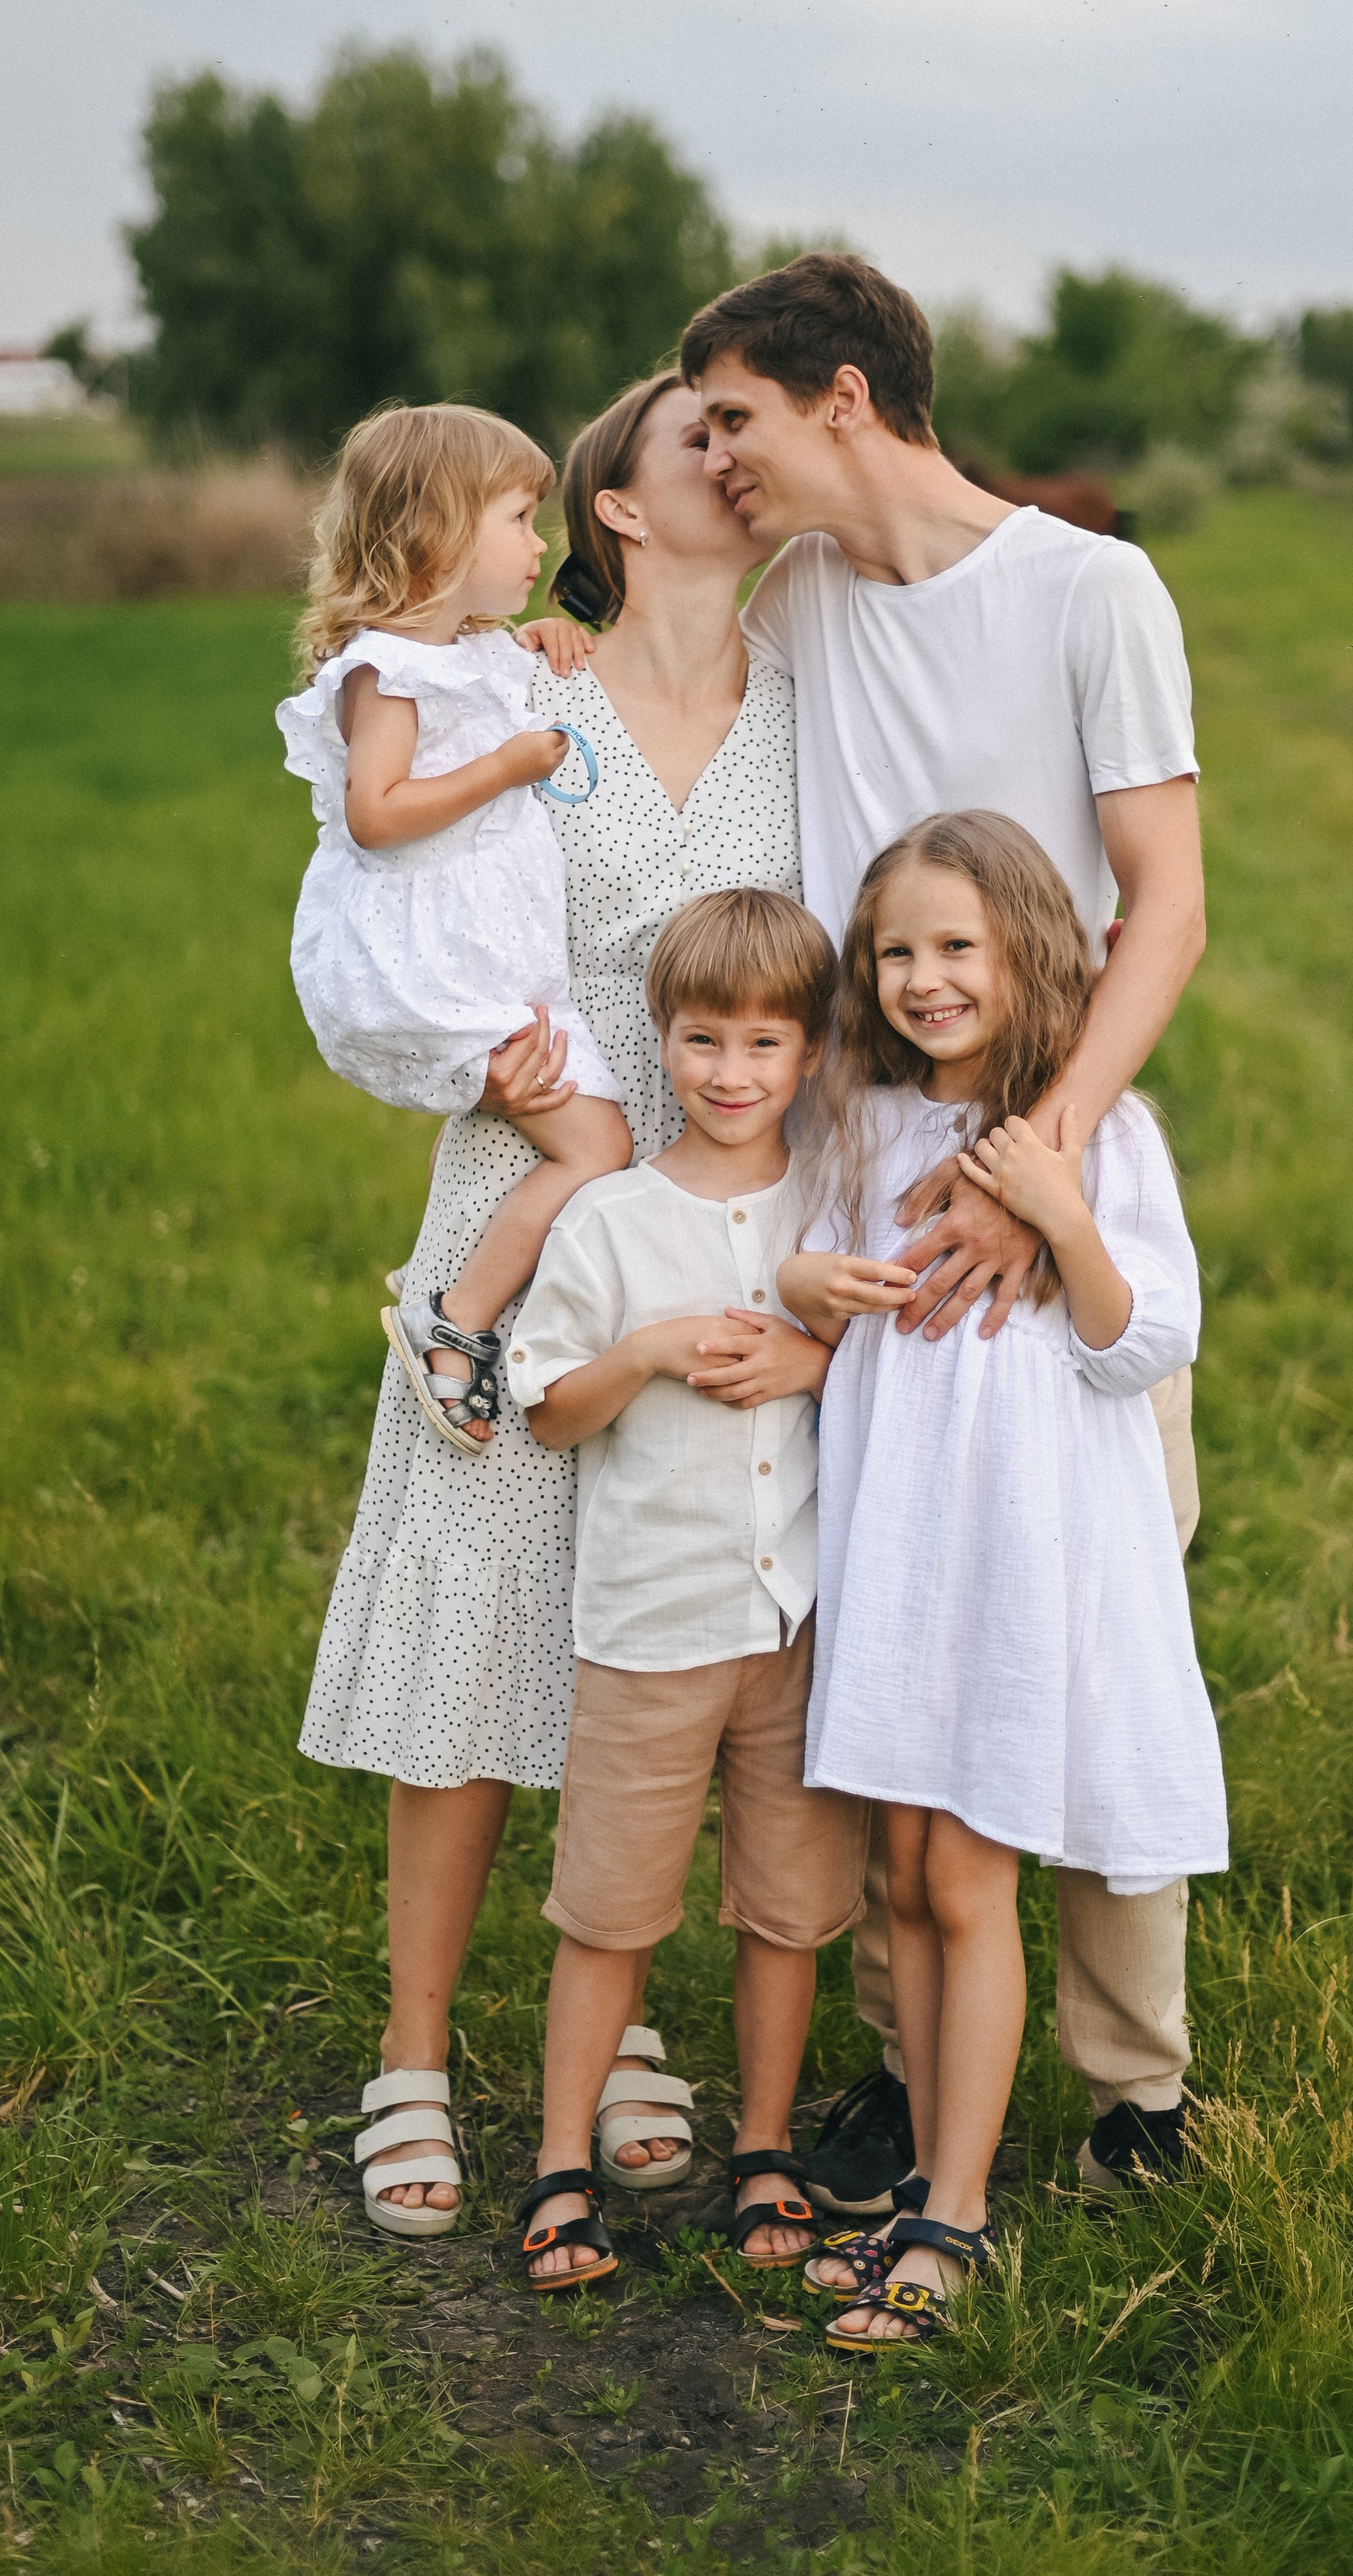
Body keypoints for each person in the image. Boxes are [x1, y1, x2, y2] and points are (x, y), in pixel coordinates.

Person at [681, 252, 1211, 2211]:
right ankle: (914, 2088)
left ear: (837, 396)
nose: (717, 456)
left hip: (1046, 1141)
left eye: (733, 415)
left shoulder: (1091, 589)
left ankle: (1134, 2079)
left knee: (1100, 1597)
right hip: (857, 1155)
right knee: (896, 1612)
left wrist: (1035, 1161)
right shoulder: (803, 600)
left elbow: (1163, 900)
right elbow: (634, 592)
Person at [297, 374, 814, 2238]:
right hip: (535, 1180)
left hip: (732, 1213)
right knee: (479, 1607)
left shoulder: (808, 712)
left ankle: (627, 2012)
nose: (740, 461)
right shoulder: (522, 693)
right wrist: (474, 1067)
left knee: (672, 1622)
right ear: (614, 504)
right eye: (703, 438)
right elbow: (389, 914)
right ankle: (414, 2051)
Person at [778, 814, 1227, 2347]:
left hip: (1017, 1560)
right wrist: (797, 1287)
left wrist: (1053, 1213)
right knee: (899, 1878)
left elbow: (1136, 1338)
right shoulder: (855, 1120)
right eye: (895, 949)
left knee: (964, 1882)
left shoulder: (1097, 1134)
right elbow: (811, 1279)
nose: (922, 977)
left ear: (1031, 951)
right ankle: (929, 2159)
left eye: (955, 945)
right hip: (895, 1551)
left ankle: (949, 2219)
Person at [504, 890, 867, 2290]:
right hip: (652, 1628)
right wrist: (646, 1352)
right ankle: (560, 2163)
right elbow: (546, 1409)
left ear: (813, 1052)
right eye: (703, 1041)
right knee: (610, 1910)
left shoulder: (833, 1206)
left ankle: (762, 2147)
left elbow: (893, 1372)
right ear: (660, 1041)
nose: (731, 1074)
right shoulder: (607, 1222)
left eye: (764, 1044)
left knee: (784, 1907)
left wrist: (817, 1360)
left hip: (798, 1622)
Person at [276, 403, 632, 1455]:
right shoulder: (385, 669)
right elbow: (376, 815)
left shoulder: (469, 652)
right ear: (438, 533)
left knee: (582, 1137)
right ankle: (456, 1315)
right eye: (521, 519)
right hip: (420, 958)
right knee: (597, 1143)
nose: (541, 546)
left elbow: (495, 683)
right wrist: (507, 768)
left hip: (486, 948)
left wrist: (539, 641)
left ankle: (451, 1275)